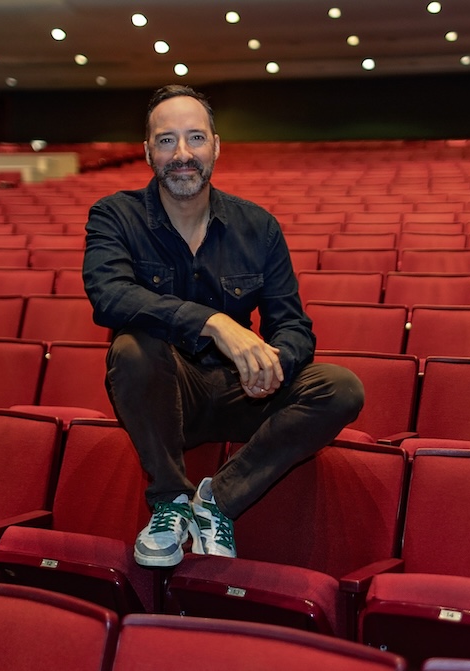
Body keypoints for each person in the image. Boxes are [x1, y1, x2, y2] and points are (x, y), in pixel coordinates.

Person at [83, 84, 364, 568]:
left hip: (243, 393)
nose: (183, 153)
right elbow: (109, 297)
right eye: (167, 140)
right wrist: (212, 322)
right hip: (166, 396)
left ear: (216, 145)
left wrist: (272, 364)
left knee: (340, 387)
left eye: (195, 138)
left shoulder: (259, 226)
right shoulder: (114, 216)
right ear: (149, 150)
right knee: (132, 345)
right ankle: (170, 500)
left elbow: (292, 325)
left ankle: (217, 502)